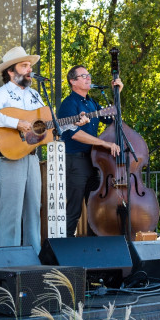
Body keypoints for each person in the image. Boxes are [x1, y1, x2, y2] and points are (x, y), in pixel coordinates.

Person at [0, 46, 44, 253]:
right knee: (11, 211)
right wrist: (15, 122)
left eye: (30, 66)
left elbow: (46, 124)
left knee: (34, 208)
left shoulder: (35, 95)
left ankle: (33, 256)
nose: (29, 69)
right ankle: (10, 257)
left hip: (32, 157)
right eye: (24, 65)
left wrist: (74, 123)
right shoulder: (2, 93)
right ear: (11, 71)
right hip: (11, 157)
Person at [57, 65, 122, 237]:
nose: (88, 78)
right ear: (73, 81)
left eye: (89, 75)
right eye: (83, 75)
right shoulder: (68, 104)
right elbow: (75, 134)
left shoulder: (91, 103)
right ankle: (66, 252)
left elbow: (112, 117)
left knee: (95, 208)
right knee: (73, 210)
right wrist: (104, 144)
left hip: (93, 162)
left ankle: (94, 250)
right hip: (75, 162)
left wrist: (117, 93)